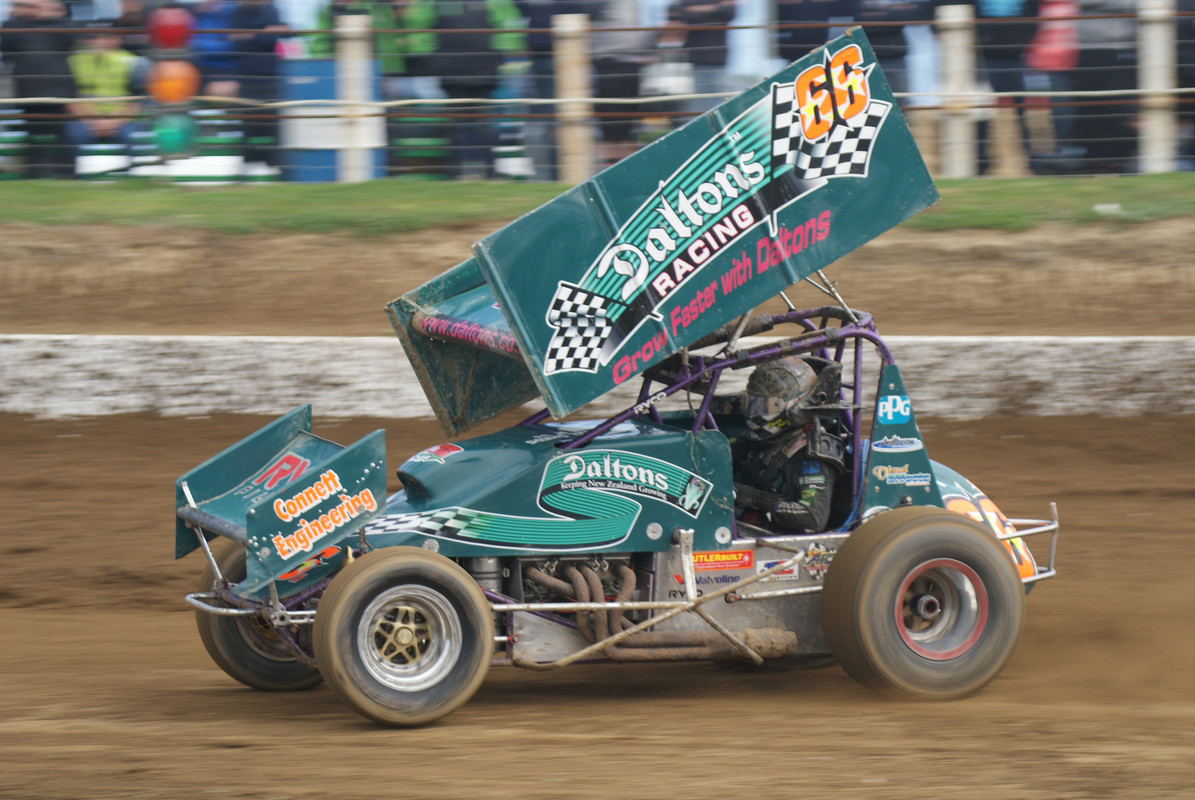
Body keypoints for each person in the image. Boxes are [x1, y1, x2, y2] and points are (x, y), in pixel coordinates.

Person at [399, 0, 527, 178]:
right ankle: (476, 171)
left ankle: (466, 171)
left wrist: (429, 56)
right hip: (468, 69)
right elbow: (509, 26)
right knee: (470, 123)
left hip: (472, 69)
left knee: (469, 123)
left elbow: (417, 25)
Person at [730, 356, 846, 533]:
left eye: (766, 406)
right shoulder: (759, 441)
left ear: (794, 407)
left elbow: (812, 518)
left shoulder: (813, 454)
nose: (756, 413)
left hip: (784, 540)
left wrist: (755, 498)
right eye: (753, 404)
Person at [1, 0, 77, 177]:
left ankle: (67, 175)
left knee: (62, 134)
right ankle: (35, 173)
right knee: (34, 134)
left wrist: (51, 16)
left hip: (59, 89)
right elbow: (7, 50)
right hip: (29, 88)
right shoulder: (14, 25)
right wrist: (24, 14)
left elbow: (71, 40)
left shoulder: (60, 23)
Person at [66, 21, 142, 159]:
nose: (102, 41)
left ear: (119, 39)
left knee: (132, 136)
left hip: (123, 119)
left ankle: (132, 170)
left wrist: (113, 122)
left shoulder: (133, 62)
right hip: (86, 119)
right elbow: (70, 98)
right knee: (73, 135)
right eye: (96, 37)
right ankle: (74, 172)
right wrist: (94, 122)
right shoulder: (74, 62)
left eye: (109, 37)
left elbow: (136, 101)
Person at [227, 0, 288, 166]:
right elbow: (236, 42)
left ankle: (276, 166)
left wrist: (250, 35)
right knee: (249, 126)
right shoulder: (237, 13)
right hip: (247, 77)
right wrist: (262, 32)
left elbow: (270, 40)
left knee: (274, 125)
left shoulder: (270, 10)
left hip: (269, 77)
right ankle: (248, 166)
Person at [665, 0, 737, 117]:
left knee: (718, 102)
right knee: (696, 104)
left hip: (717, 59)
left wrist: (695, 10)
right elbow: (681, 13)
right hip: (695, 60)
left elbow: (729, 12)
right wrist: (715, 9)